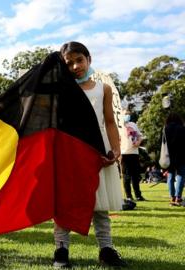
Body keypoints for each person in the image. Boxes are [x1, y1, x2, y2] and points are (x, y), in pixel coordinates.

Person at [53, 41, 126, 268]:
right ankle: (61, 250)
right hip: (71, 152)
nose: (75, 66)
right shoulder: (61, 91)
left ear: (89, 59)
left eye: (79, 60)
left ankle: (106, 249)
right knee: (65, 203)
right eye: (69, 63)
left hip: (99, 150)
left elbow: (110, 122)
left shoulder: (102, 88)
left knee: (100, 204)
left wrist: (115, 150)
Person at [120, 112, 145, 201]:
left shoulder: (133, 124)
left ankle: (138, 195)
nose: (127, 115)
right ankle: (128, 196)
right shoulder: (118, 125)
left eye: (128, 113)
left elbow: (140, 136)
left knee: (135, 175)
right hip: (124, 153)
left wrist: (138, 141)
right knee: (126, 176)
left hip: (134, 153)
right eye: (125, 113)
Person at [163, 113, 185, 206]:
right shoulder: (182, 128)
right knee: (181, 175)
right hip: (182, 155)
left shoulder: (165, 129)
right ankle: (178, 197)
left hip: (169, 156)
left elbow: (162, 143)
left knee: (170, 176)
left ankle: (172, 196)